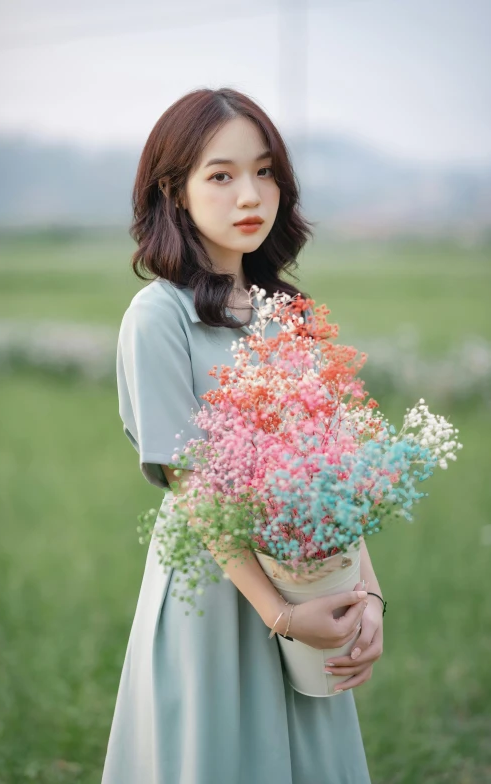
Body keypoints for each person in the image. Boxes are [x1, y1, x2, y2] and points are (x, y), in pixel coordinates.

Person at [101, 87, 384, 784]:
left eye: (264, 171)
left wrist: (366, 599)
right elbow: (196, 491)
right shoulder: (157, 317)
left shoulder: (289, 315)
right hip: (217, 595)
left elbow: (333, 481)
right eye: (220, 176)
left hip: (313, 585)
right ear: (175, 192)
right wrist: (283, 616)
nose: (250, 194)